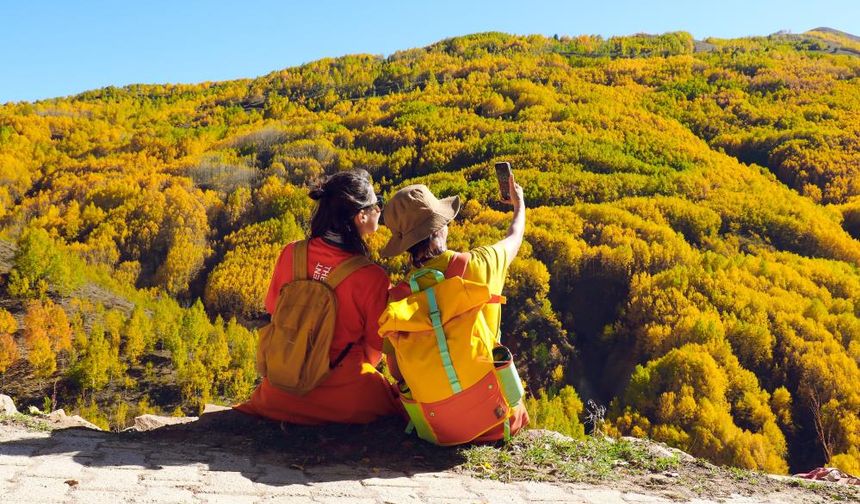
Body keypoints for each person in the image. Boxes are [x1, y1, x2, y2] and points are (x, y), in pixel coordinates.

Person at [236, 169, 401, 424]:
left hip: (279, 393)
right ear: (361, 216)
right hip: (348, 398)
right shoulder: (372, 277)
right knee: (399, 407)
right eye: (377, 203)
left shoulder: (291, 253)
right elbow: (373, 351)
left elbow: (274, 311)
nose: (381, 208)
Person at [378, 174, 529, 442]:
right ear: (442, 227)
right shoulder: (477, 265)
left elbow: (398, 371)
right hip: (497, 422)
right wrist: (519, 207)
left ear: (404, 246)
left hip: (437, 431)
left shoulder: (396, 300)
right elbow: (514, 237)